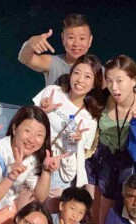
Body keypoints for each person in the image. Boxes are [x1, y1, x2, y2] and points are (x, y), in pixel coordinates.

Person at [88, 55, 136, 224]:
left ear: (134, 80)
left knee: (128, 203)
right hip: (102, 157)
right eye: (110, 81)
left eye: (120, 81)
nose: (114, 87)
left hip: (129, 160)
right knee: (103, 203)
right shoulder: (102, 98)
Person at [33, 54, 104, 212]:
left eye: (87, 76)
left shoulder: (90, 117)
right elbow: (28, 120)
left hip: (59, 169)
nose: (80, 80)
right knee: (25, 207)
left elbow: (84, 152)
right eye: (77, 73)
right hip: (34, 158)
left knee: (50, 214)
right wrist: (41, 111)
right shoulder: (52, 92)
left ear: (94, 84)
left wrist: (78, 140)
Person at [18, 13, 93, 86]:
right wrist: (30, 43)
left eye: (82, 38)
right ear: (63, 38)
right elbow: (24, 59)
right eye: (71, 37)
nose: (76, 44)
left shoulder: (98, 71)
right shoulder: (53, 63)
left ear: (90, 41)